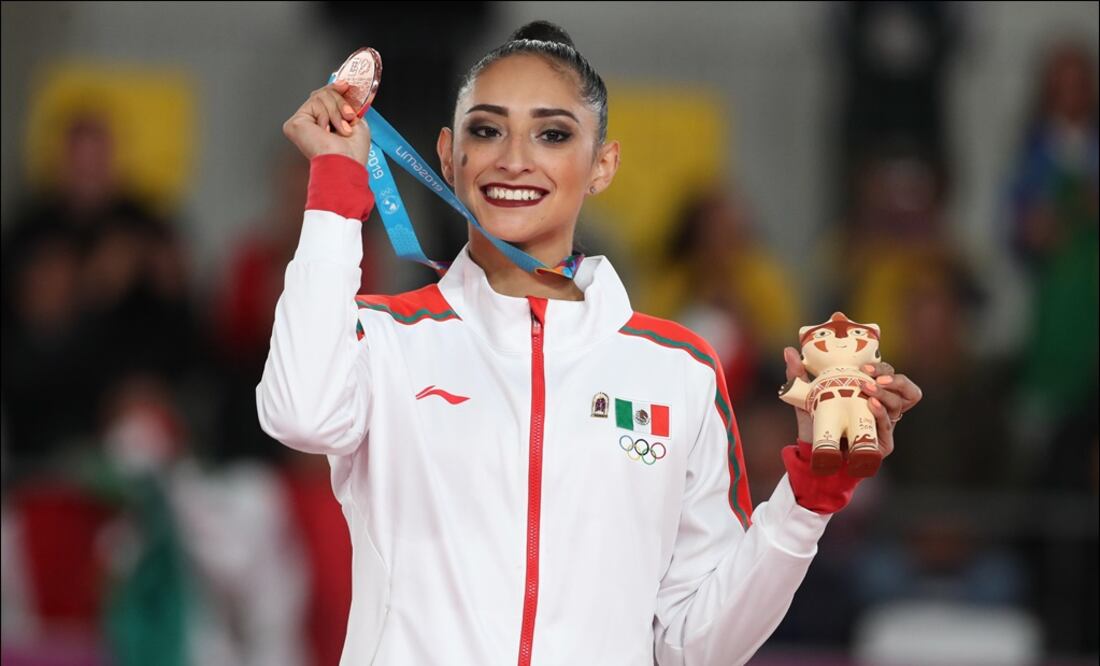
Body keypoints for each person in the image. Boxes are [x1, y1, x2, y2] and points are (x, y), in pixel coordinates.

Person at [257, 21, 922, 665]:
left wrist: (808, 501)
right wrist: (336, 191)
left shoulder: (678, 371)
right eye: (486, 130)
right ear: (446, 155)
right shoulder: (386, 338)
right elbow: (298, 413)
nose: (514, 158)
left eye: (551, 133)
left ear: (602, 165)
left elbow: (694, 646)